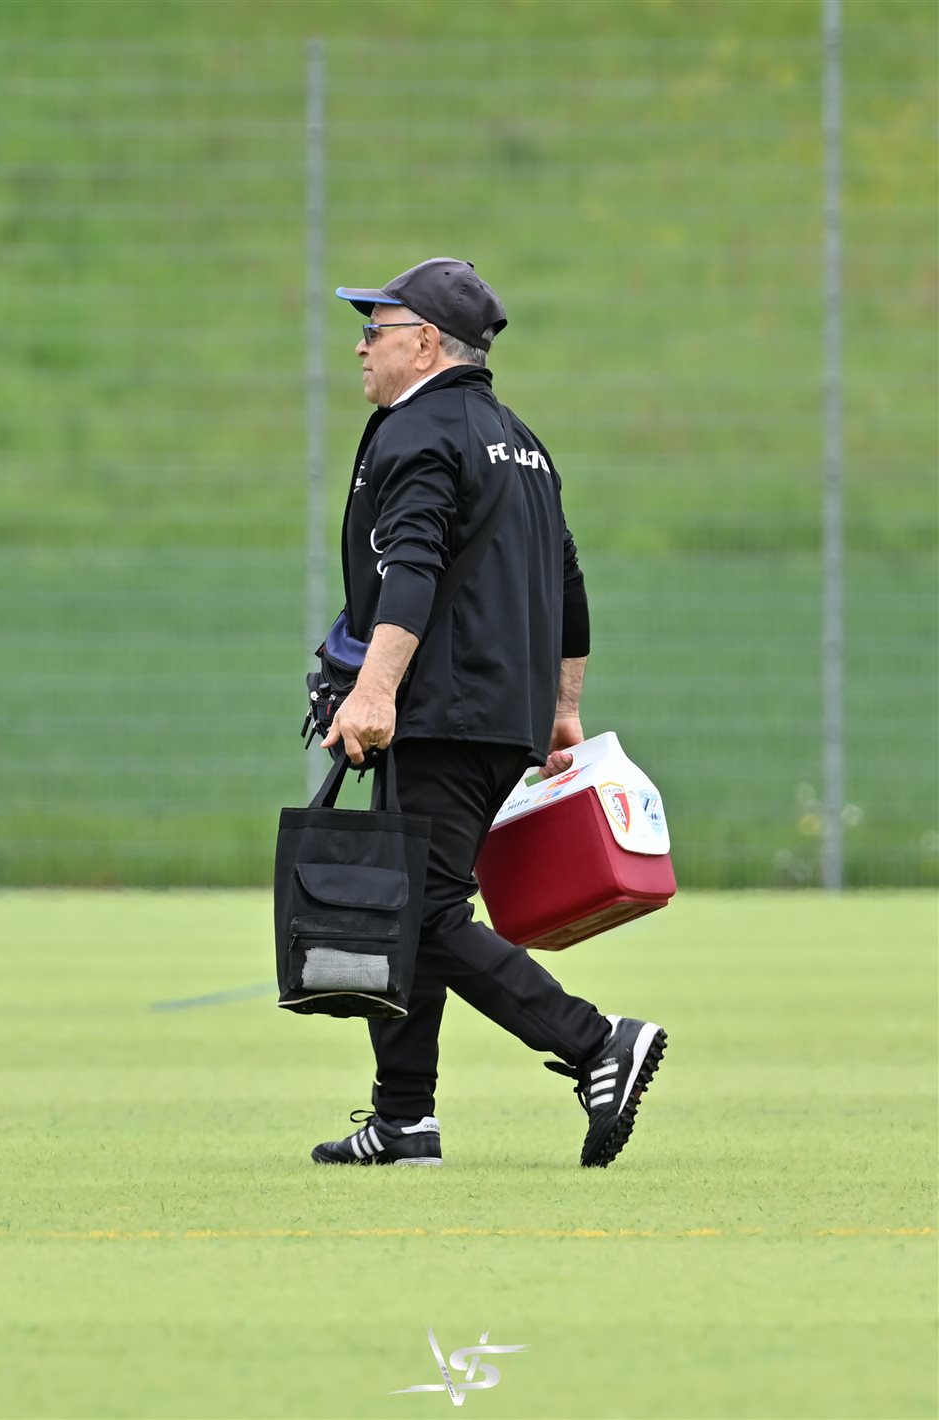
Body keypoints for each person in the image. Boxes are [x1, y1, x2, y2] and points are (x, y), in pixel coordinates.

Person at [312, 257, 666, 1168]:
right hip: (501, 712)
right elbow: (568, 581)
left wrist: (374, 689)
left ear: (426, 343)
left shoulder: (415, 429)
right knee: (413, 900)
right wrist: (562, 710)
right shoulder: (522, 441)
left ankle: (596, 1042)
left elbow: (412, 566)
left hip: (439, 708)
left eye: (376, 329)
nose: (361, 346)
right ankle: (403, 1120)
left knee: (421, 910)